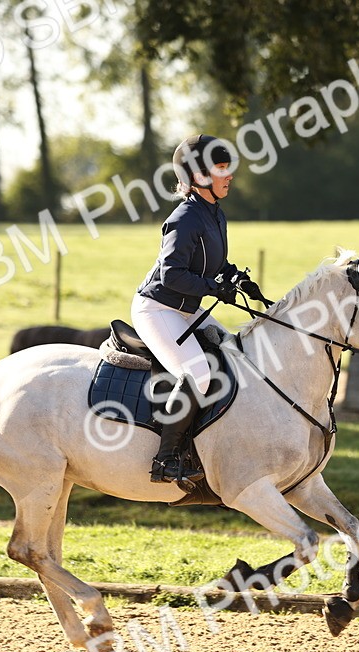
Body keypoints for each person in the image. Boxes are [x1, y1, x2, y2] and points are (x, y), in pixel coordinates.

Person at [132, 134, 266, 483]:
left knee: (236, 354)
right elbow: (172, 274)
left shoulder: (213, 214)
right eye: (221, 168)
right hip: (158, 309)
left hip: (185, 308)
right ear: (199, 176)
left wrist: (235, 277)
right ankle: (166, 460)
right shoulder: (186, 218)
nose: (229, 175)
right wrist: (214, 288)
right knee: (199, 374)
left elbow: (212, 263)